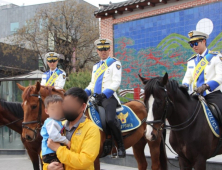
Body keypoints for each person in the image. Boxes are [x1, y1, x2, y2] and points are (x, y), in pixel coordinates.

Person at [84, 38, 126, 158]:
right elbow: (92, 84)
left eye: (106, 49)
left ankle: (120, 146)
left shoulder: (114, 63)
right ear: (97, 51)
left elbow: (116, 82)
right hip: (95, 98)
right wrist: (84, 93)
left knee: (110, 120)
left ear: (109, 49)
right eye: (101, 49)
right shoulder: (96, 66)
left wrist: (105, 93)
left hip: (109, 98)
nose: (103, 51)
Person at [43, 87, 100, 170]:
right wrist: (47, 167)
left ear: (83, 107)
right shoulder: (58, 125)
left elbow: (84, 161)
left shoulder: (91, 129)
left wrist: (58, 149)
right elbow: (45, 150)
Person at [182, 30, 222, 112]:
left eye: (196, 43)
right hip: (196, 96)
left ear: (204, 41)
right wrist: (185, 86)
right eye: (191, 44)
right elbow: (188, 77)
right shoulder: (191, 61)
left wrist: (207, 86)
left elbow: (220, 75)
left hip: (212, 94)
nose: (194, 46)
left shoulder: (215, 57)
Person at [41, 95, 71, 164]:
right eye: (53, 109)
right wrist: (67, 142)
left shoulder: (57, 121)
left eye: (59, 109)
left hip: (51, 152)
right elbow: (54, 136)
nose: (57, 111)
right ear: (46, 111)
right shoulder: (51, 122)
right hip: (50, 154)